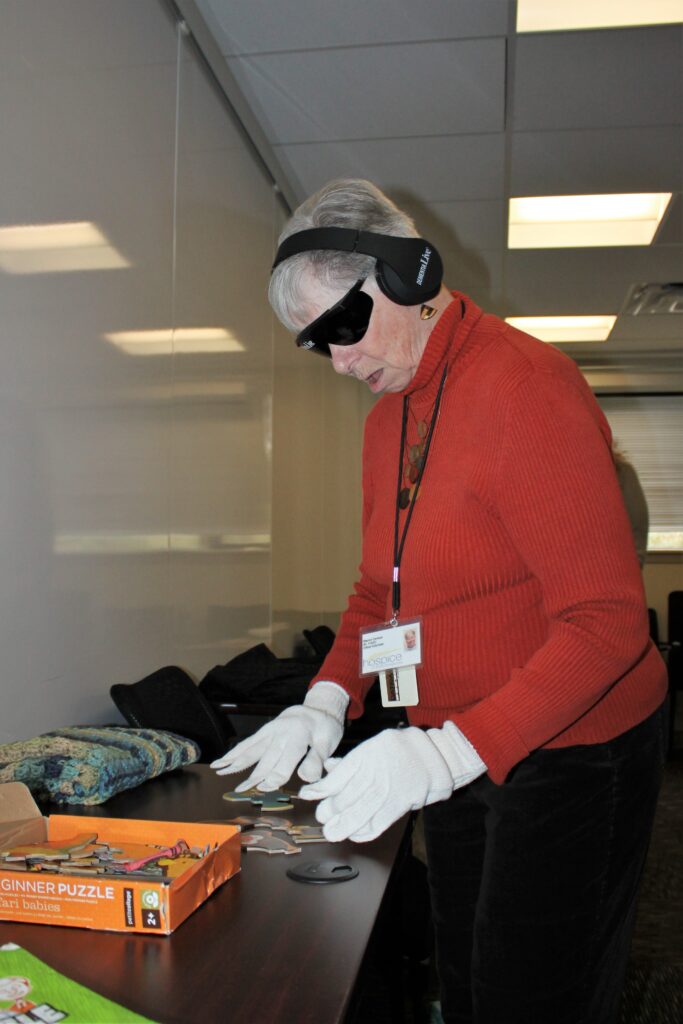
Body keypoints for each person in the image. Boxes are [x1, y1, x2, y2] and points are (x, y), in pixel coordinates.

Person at [212, 179, 668, 1024]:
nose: (339, 361)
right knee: (461, 974)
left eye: (343, 327)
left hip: (569, 745)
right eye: (316, 345)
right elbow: (377, 592)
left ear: (408, 277)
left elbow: (606, 624)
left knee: (533, 997)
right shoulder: (389, 418)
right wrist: (322, 701)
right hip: (445, 736)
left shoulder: (526, 385)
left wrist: (450, 754)